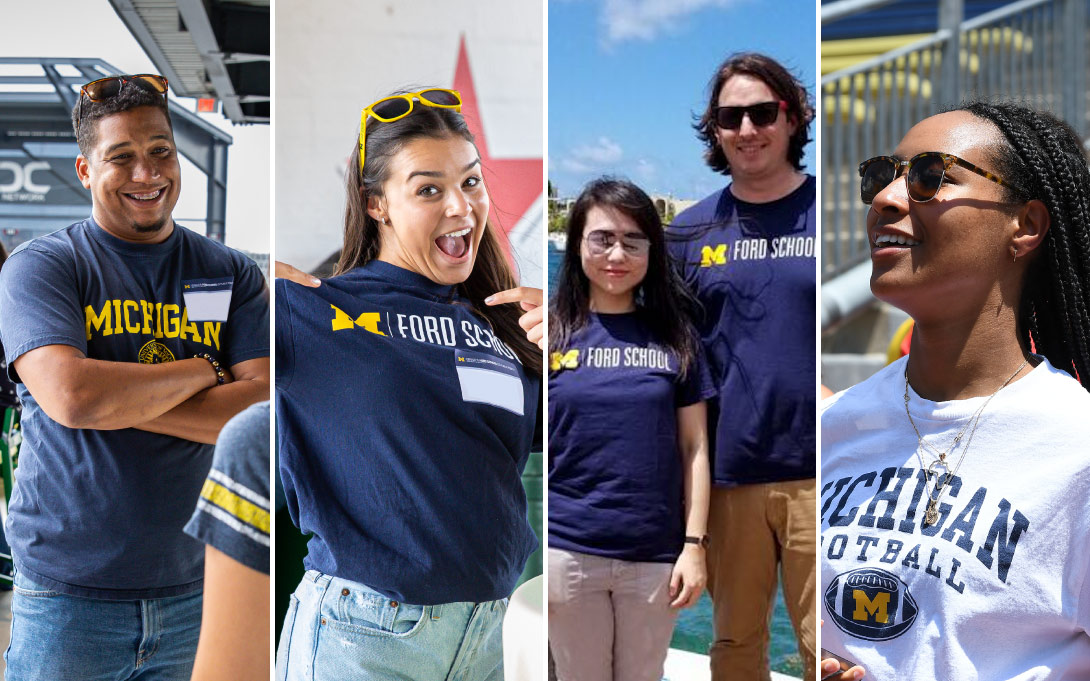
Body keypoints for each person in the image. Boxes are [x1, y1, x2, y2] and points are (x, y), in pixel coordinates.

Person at [0, 74, 270, 680]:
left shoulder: (229, 273)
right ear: (85, 170)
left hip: (197, 587)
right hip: (68, 598)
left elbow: (259, 409)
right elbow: (71, 396)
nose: (148, 173)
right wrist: (206, 369)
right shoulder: (43, 268)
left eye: (160, 152)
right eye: (121, 157)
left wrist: (110, 399)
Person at [275, 88, 543, 681]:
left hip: (488, 637)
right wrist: (236, 273)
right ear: (377, 205)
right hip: (363, 639)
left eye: (471, 182)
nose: (461, 207)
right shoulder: (317, 309)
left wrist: (579, 345)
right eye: (428, 189)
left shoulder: (498, 324)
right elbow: (164, 311)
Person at [820, 102, 1090, 680]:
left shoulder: (1078, 450)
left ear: (1026, 226)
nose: (886, 199)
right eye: (882, 176)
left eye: (928, 177)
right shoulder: (836, 426)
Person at [666, 52, 817, 679]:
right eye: (732, 117)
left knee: (832, 649)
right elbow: (666, 365)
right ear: (715, 129)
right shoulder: (687, 232)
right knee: (735, 645)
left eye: (762, 112)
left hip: (827, 475)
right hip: (730, 479)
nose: (748, 129)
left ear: (792, 117)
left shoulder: (836, 215)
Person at [547, 178, 714, 681]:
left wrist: (694, 546)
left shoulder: (675, 338)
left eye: (632, 240)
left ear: (651, 252)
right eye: (602, 238)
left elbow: (696, 449)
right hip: (567, 550)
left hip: (654, 556)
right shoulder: (549, 333)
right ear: (578, 243)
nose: (616, 253)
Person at [184, 401, 270, 681]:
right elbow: (71, 397)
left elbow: (253, 390)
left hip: (183, 595)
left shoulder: (256, 439)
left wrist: (119, 412)